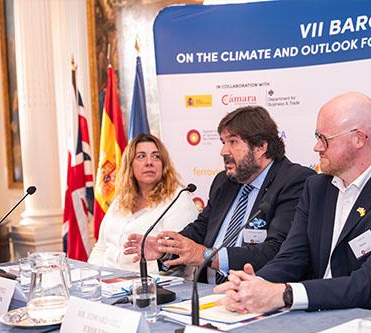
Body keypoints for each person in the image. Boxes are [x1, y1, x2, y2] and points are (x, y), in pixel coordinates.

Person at [214, 92, 371, 312]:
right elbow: (292, 256)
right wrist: (254, 286)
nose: (317, 147)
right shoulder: (316, 187)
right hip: (308, 315)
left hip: (362, 320)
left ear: (359, 139)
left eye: (324, 138)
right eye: (317, 136)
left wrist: (285, 294)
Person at [124, 106, 315, 282]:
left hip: (254, 292)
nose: (223, 151)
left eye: (233, 142)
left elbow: (277, 251)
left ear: (260, 147)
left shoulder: (294, 181)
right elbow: (200, 229)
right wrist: (165, 249)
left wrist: (207, 256)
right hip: (203, 292)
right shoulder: (225, 181)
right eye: (223, 142)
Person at [88, 134, 198, 274]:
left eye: (156, 156)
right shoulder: (120, 200)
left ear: (163, 164)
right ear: (130, 165)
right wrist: (93, 276)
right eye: (141, 156)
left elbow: (178, 260)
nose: (149, 162)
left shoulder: (178, 199)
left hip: (149, 283)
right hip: (107, 281)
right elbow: (101, 248)